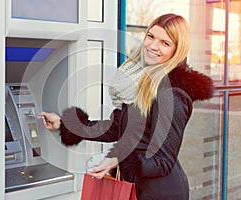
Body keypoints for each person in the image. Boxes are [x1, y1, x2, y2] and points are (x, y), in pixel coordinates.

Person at [40, 13, 213, 200]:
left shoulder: (171, 93)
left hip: (160, 192)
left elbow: (163, 161)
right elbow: (115, 128)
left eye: (165, 43)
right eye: (151, 36)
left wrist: (117, 160)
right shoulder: (141, 81)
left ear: (177, 51)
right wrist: (66, 124)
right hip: (138, 188)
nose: (153, 46)